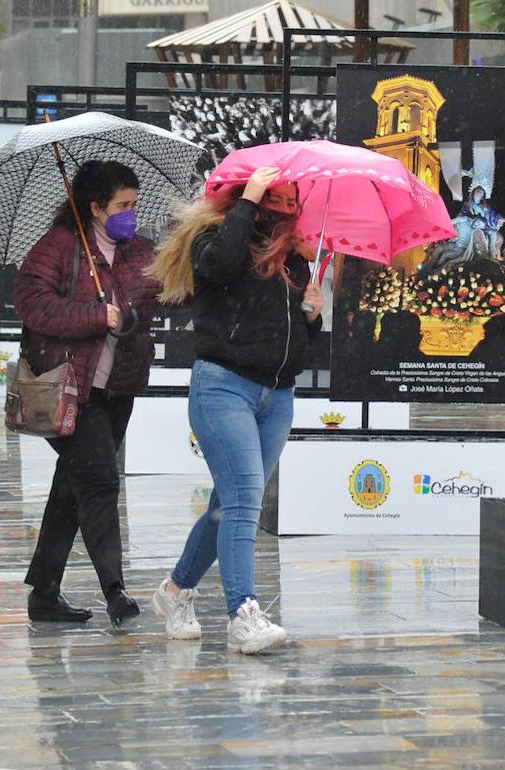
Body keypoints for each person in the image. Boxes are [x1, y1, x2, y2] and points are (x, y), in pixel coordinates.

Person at [147, 166, 323, 654]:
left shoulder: (294, 260)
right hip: (223, 387)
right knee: (245, 500)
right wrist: (246, 202)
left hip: (277, 396)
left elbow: (300, 352)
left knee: (229, 505)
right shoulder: (214, 236)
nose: (286, 205)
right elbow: (219, 267)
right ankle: (242, 612)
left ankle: (175, 591)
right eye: (276, 196)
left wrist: (313, 315)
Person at [13, 161, 161, 627]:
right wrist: (96, 317)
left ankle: (44, 591)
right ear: (95, 208)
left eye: (135, 204)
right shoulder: (59, 246)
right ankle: (115, 591)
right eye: (122, 205)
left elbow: (164, 292)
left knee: (71, 485)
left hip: (118, 386)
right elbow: (32, 305)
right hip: (69, 386)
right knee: (98, 479)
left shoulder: (139, 250)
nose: (130, 214)